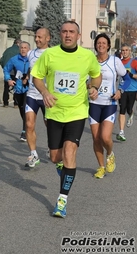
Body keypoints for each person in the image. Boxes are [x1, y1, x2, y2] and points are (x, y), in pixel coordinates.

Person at [32, 21, 102, 218]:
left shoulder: (87, 56)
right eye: (64, 31)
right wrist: (44, 92)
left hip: (77, 112)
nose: (68, 35)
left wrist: (94, 88)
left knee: (70, 152)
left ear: (78, 35)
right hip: (54, 112)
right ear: (59, 34)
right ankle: (63, 167)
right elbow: (37, 76)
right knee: (56, 157)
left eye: (72, 32)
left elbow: (96, 76)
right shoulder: (49, 55)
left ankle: (62, 200)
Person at [89, 34, 127, 179]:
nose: (101, 45)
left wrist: (120, 90)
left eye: (104, 43)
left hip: (109, 104)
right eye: (99, 43)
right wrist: (89, 86)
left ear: (109, 45)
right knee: (96, 138)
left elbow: (126, 78)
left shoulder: (115, 61)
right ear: (95, 45)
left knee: (105, 137)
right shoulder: (90, 61)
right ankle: (101, 167)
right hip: (94, 104)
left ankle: (110, 154)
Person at [24, 28, 51, 167]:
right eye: (36, 36)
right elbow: (30, 69)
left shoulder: (53, 54)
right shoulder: (30, 53)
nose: (37, 39)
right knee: (29, 124)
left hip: (47, 96)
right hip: (32, 94)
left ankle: (51, 146)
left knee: (50, 125)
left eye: (40, 37)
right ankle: (33, 154)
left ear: (48, 38)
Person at [4, 41, 30, 141]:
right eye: (21, 48)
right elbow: (6, 69)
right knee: (21, 108)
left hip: (29, 88)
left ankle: (24, 130)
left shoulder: (32, 60)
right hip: (18, 88)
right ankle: (28, 125)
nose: (23, 49)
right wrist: (8, 79)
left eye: (25, 48)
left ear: (28, 50)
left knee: (25, 108)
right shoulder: (14, 59)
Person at [116, 44, 137, 141]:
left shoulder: (133, 62)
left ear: (129, 51)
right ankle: (121, 132)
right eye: (123, 50)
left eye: (126, 50)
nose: (124, 52)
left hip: (132, 89)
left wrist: (131, 75)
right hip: (122, 89)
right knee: (122, 109)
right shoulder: (118, 62)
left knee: (129, 109)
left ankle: (131, 113)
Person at [0, 38, 22, 107]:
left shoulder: (7, 50)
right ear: (18, 44)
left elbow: (1, 61)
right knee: (16, 86)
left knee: (6, 87)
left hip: (8, 72)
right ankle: (16, 103)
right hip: (16, 72)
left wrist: (5, 67)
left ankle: (5, 102)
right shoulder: (19, 51)